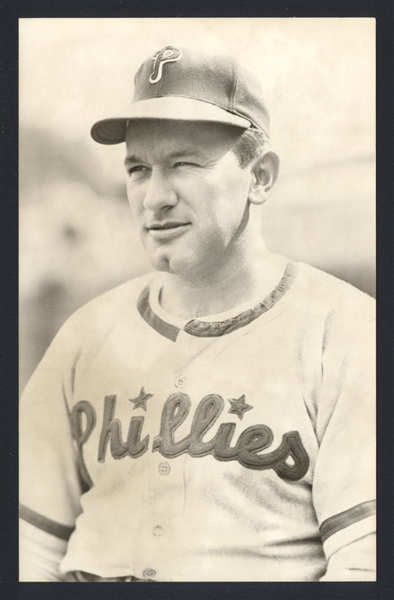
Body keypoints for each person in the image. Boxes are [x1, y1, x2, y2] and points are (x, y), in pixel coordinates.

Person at [19, 45, 376, 582]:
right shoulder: (85, 336)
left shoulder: (346, 333)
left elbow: (365, 563)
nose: (154, 196)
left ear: (260, 177)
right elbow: (28, 548)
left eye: (184, 163)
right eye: (138, 168)